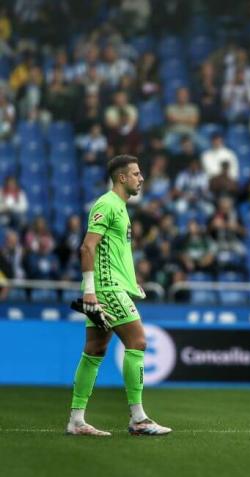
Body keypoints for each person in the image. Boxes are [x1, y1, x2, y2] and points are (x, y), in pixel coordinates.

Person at [66, 155, 171, 437]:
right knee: (137, 341)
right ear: (122, 178)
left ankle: (77, 420)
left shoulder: (121, 208)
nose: (142, 178)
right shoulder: (107, 204)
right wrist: (90, 292)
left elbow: (111, 254)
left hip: (113, 286)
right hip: (105, 289)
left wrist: (132, 283)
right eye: (136, 174)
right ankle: (138, 418)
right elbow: (87, 248)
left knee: (95, 350)